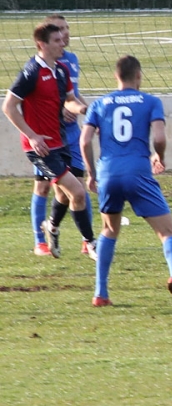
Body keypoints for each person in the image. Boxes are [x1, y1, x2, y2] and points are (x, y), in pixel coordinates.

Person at [81, 55, 172, 308]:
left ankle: (100, 293)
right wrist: (159, 157)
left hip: (108, 172)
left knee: (109, 230)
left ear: (116, 77)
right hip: (138, 171)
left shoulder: (100, 103)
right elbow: (160, 137)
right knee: (167, 232)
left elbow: (85, 141)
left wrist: (92, 174)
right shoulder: (150, 101)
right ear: (139, 76)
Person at [3, 22, 96, 259]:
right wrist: (32, 136)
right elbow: (9, 106)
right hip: (40, 148)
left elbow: (70, 100)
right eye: (56, 40)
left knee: (64, 194)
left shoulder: (62, 70)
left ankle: (52, 227)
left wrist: (85, 109)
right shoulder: (31, 71)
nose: (62, 42)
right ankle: (91, 242)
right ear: (41, 44)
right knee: (77, 191)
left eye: (62, 38)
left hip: (60, 142)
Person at [29, 14, 96, 258]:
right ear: (46, 40)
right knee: (44, 188)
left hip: (72, 135)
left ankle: (83, 239)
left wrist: (88, 115)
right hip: (48, 138)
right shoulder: (37, 67)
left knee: (76, 188)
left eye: (67, 28)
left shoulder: (71, 61)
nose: (65, 34)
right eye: (59, 30)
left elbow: (73, 95)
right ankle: (40, 241)